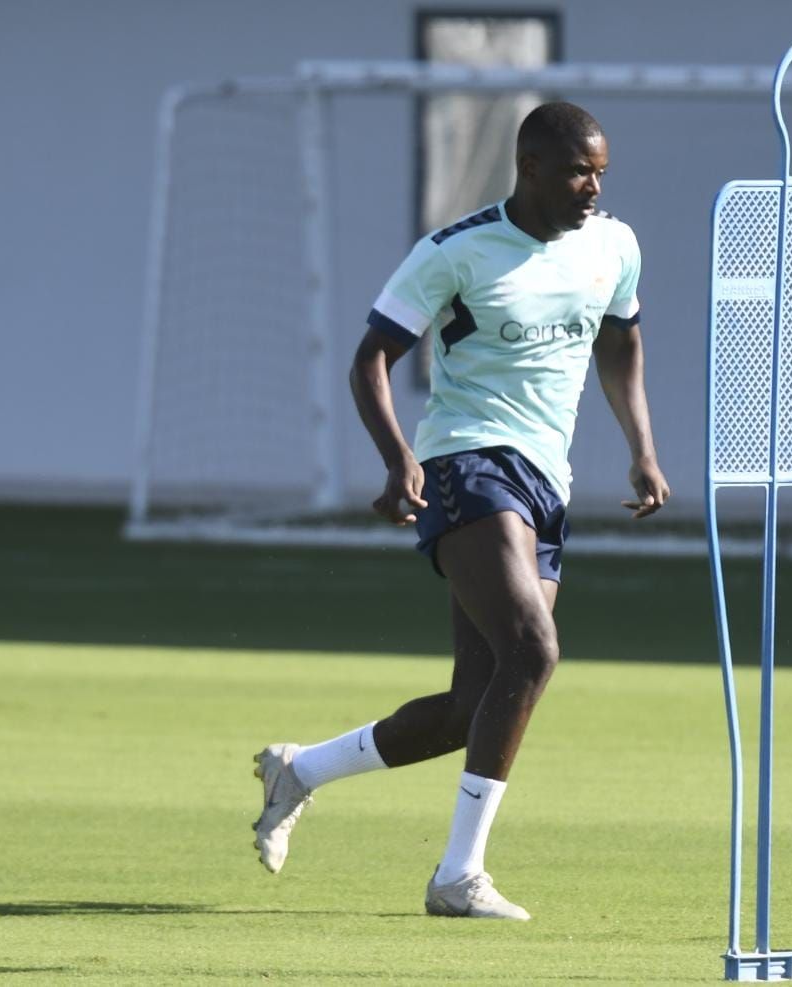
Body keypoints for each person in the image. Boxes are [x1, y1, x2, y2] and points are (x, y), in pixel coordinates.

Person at [251, 101, 669, 921]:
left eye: (601, 173)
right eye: (578, 172)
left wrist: (642, 448)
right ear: (531, 168)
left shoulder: (614, 245)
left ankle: (299, 770)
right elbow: (371, 358)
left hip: (547, 480)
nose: (593, 187)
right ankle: (458, 875)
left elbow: (621, 343)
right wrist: (398, 456)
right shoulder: (454, 252)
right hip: (467, 462)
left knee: (470, 707)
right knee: (534, 650)